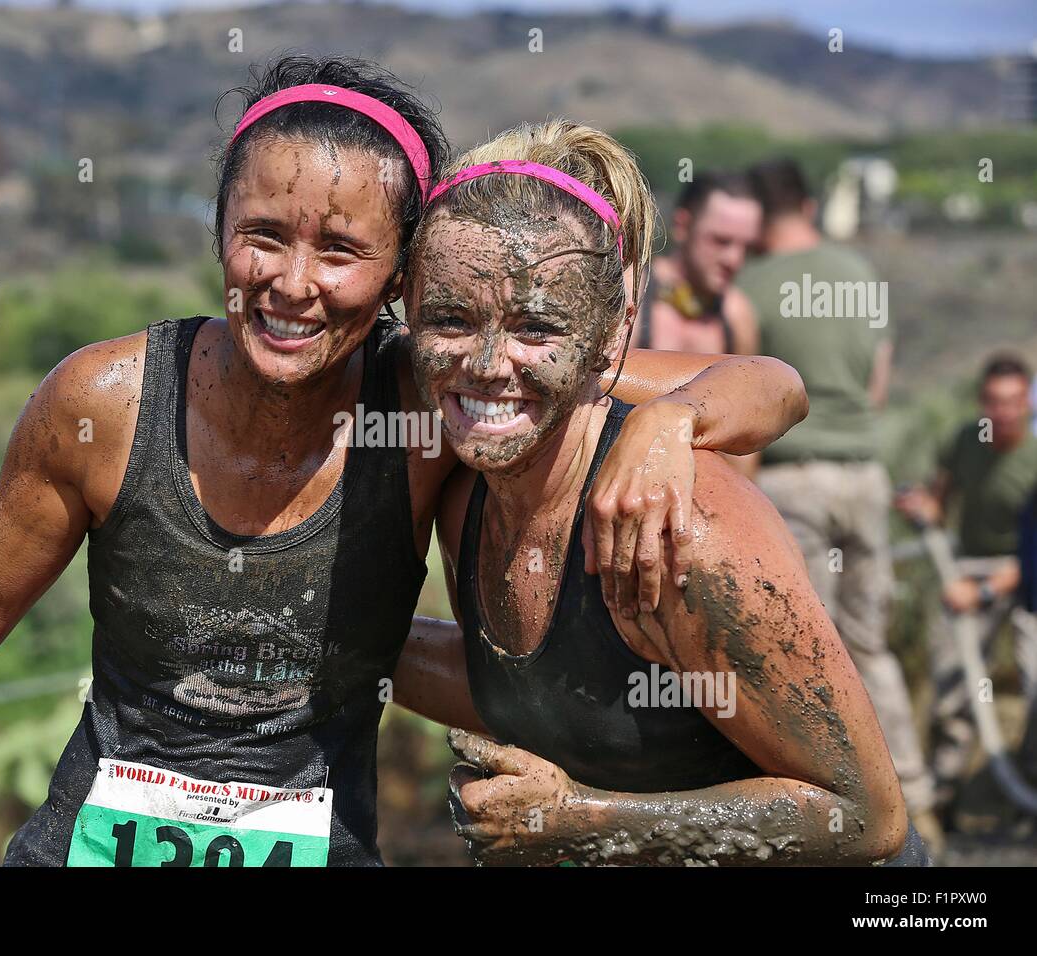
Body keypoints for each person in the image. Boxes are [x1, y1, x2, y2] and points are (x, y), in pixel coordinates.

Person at [0, 55, 806, 867]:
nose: (292, 282)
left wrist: (676, 423)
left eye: (339, 251)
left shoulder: (428, 392)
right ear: (217, 235)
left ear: (399, 280)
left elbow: (768, 385)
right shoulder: (105, 404)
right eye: (263, 234)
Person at [397, 119, 922, 865]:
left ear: (610, 338)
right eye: (449, 319)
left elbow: (866, 818)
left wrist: (573, 821)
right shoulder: (469, 497)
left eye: (535, 327)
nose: (486, 362)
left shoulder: (680, 536)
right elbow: (539, 687)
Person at [735, 157, 938, 850]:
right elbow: (878, 389)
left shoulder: (750, 284)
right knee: (870, 643)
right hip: (866, 476)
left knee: (804, 652)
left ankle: (832, 803)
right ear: (811, 206)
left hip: (796, 481)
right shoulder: (859, 273)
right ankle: (913, 794)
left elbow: (749, 391)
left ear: (762, 214)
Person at [896, 353, 1037, 813]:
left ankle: (1026, 790)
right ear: (981, 403)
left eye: (1015, 402)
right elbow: (940, 499)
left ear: (1028, 404)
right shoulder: (966, 441)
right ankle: (943, 802)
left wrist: (988, 590)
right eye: (995, 402)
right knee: (953, 692)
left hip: (1025, 573)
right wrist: (922, 508)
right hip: (968, 568)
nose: (1005, 413)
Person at [637, 171, 759, 356]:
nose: (734, 260)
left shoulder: (736, 315)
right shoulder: (633, 292)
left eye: (747, 247)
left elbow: (748, 383)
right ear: (682, 226)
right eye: (721, 241)